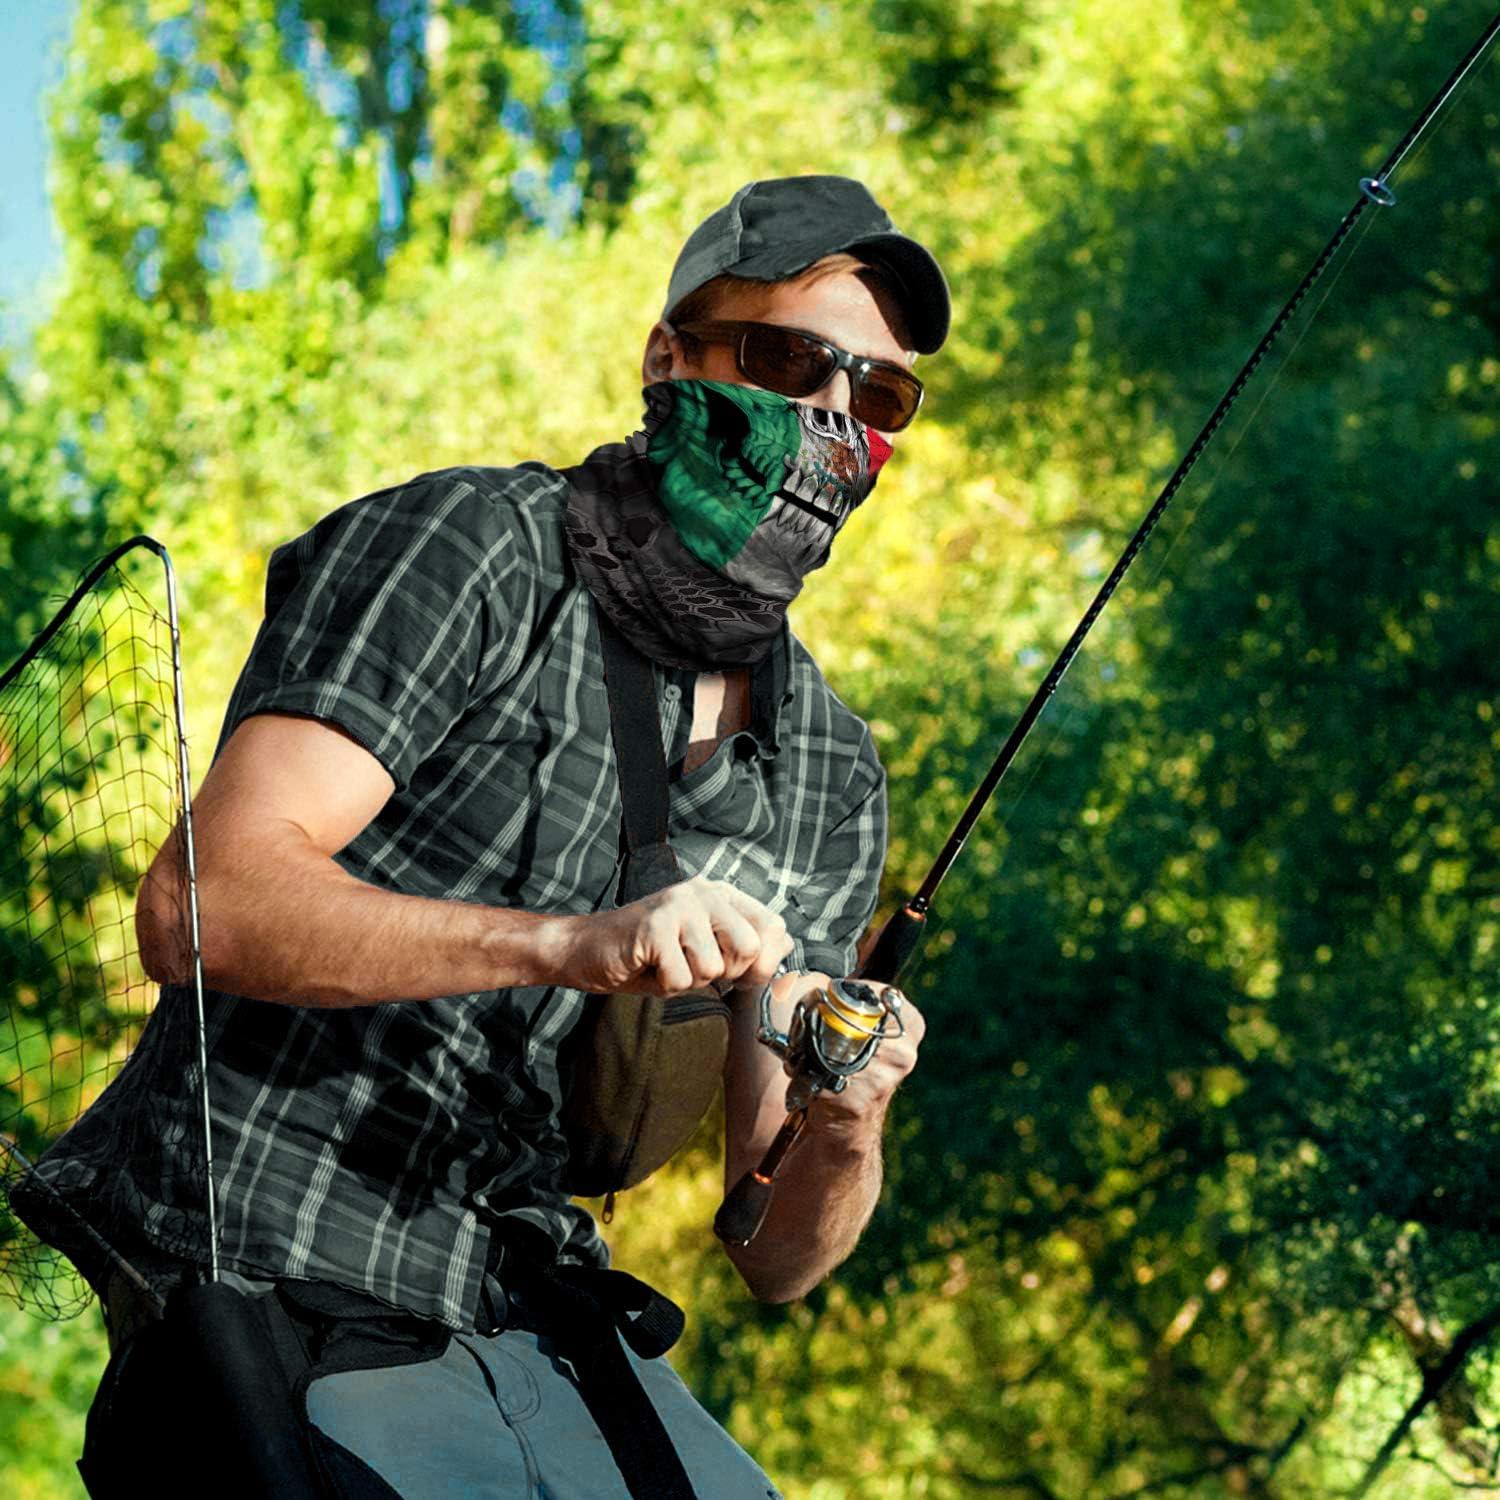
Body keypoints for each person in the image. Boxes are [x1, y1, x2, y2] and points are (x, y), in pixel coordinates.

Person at [20, 174, 948, 1498]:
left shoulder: (830, 772)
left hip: (539, 1311)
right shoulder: (474, 550)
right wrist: (571, 944)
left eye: (881, 395)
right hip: (270, 1252)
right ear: (669, 358)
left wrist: (847, 1116)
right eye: (790, 361)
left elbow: (773, 1251)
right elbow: (198, 908)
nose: (833, 417)